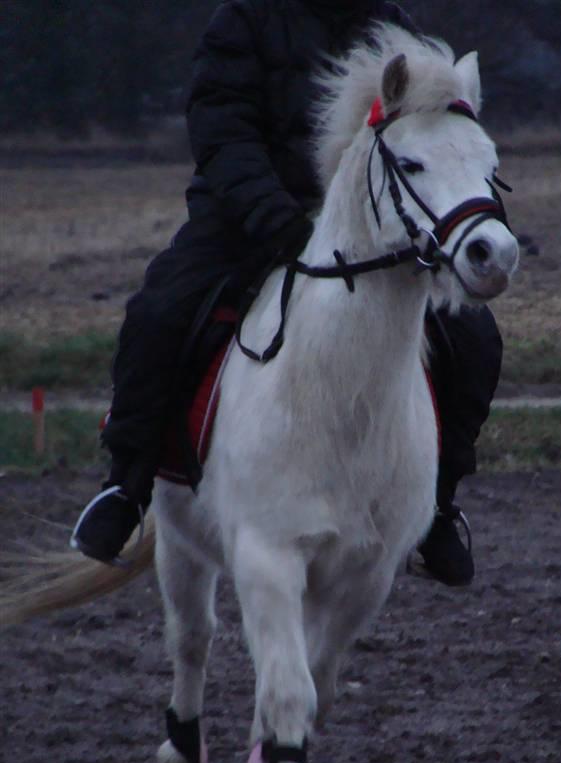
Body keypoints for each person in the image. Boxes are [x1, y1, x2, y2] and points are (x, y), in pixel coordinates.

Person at [72, 0, 503, 586]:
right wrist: (276, 219)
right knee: (159, 314)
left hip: (368, 229)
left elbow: (424, 132)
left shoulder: (394, 25)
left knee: (474, 339)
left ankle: (437, 505)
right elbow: (224, 137)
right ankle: (126, 485)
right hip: (248, 222)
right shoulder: (241, 23)